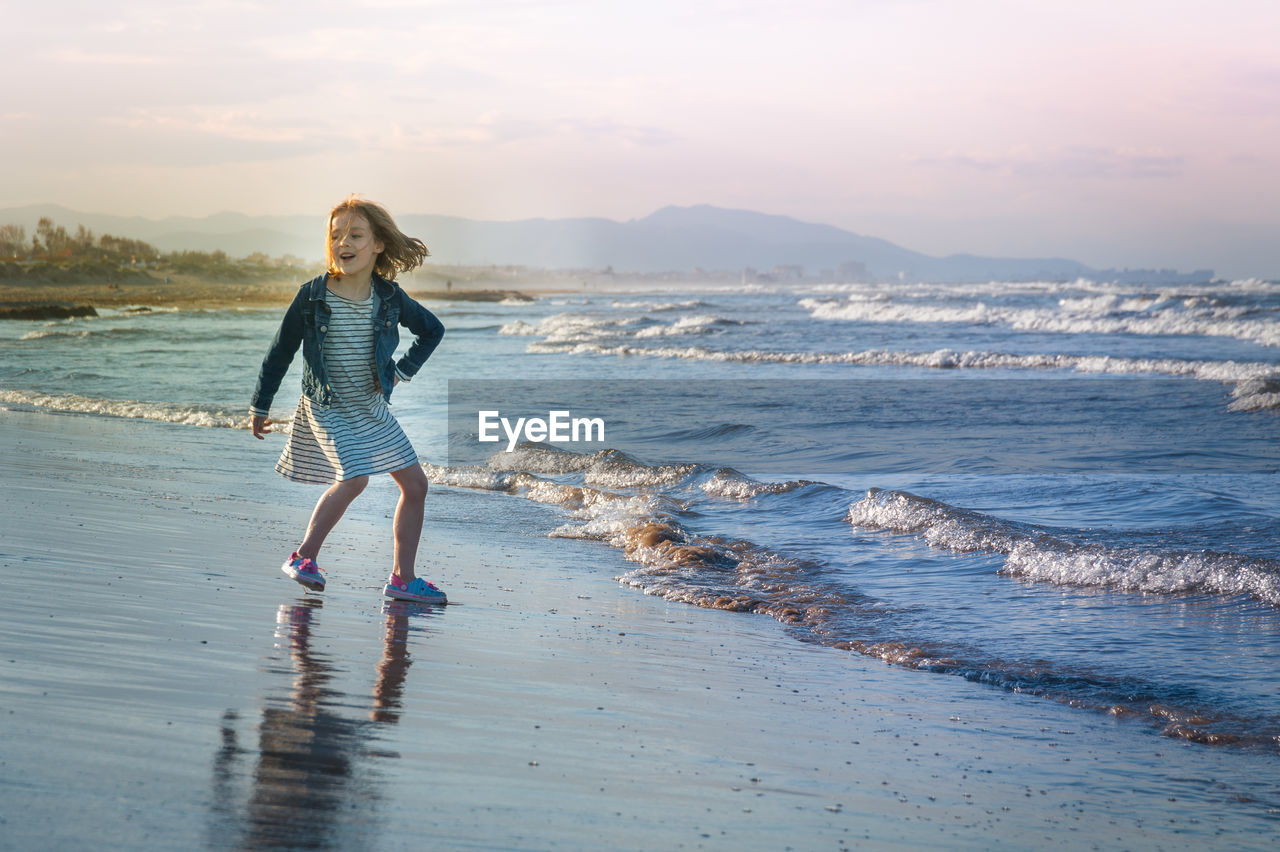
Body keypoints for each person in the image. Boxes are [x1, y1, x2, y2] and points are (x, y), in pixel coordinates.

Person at [249, 196, 447, 604]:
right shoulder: (313, 297)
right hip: (326, 404)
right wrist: (260, 405)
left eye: (356, 234)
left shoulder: (389, 298)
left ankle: (402, 579)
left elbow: (432, 330)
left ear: (377, 245)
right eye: (336, 235)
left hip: (370, 408)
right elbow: (280, 351)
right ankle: (303, 557)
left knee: (415, 484)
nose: (344, 242)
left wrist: (401, 371)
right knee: (354, 477)